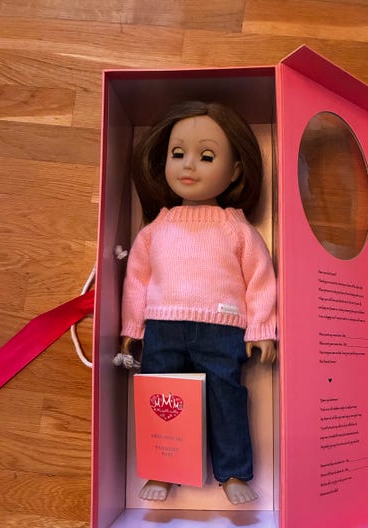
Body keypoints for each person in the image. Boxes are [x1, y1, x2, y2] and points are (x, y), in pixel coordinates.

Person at [118, 101, 277, 505]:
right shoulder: (156, 229)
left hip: (222, 329)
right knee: (162, 398)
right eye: (178, 153)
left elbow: (260, 279)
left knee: (226, 396)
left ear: (235, 171)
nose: (189, 165)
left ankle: (233, 474)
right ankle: (163, 469)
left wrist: (261, 329)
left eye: (207, 156)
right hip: (162, 327)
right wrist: (132, 328)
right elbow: (136, 280)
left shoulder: (236, 227)